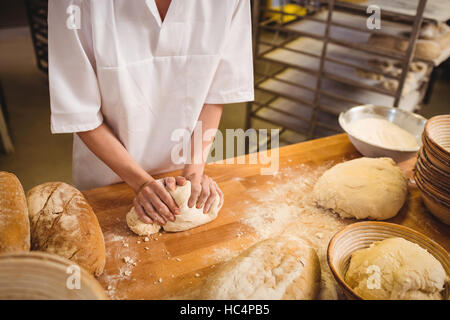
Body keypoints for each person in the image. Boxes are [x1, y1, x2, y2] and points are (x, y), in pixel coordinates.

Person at [48, 0, 254, 226]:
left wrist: (194, 172)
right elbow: (80, 111)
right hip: (108, 176)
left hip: (182, 164)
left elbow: (215, 93)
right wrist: (141, 183)